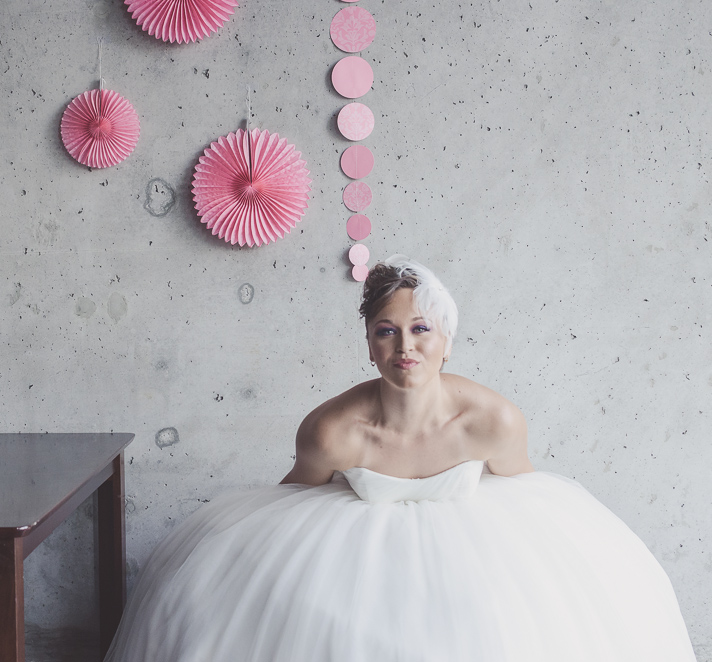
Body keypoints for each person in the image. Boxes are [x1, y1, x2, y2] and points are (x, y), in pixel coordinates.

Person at [105, 255, 697, 662]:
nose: (405, 347)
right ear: (369, 344)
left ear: (447, 340)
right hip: (356, 560)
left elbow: (531, 497)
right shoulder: (331, 431)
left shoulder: (493, 421)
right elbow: (285, 502)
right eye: (386, 331)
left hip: (472, 555)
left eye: (421, 329)